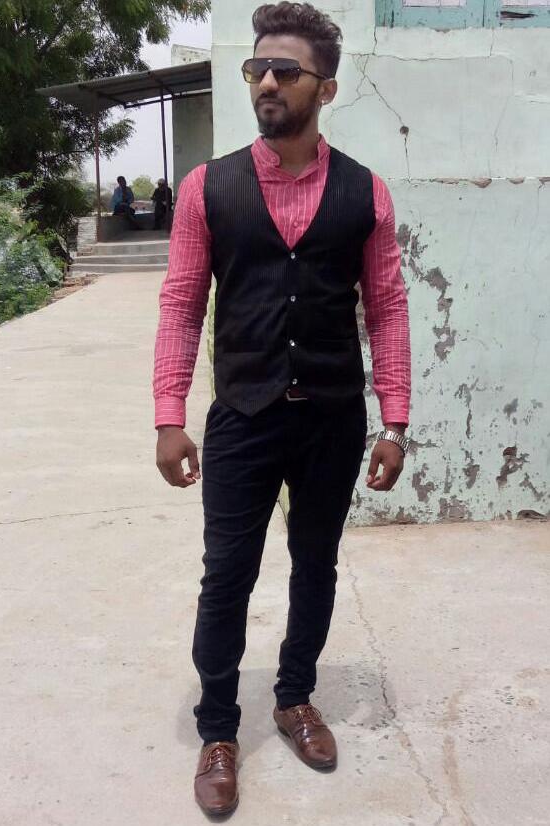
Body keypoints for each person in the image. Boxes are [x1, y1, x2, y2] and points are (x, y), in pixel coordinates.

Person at [153, 1, 411, 816]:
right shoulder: (208, 188)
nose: (266, 81)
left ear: (323, 89)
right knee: (226, 574)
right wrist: (168, 413)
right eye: (256, 68)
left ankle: (294, 696)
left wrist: (394, 420)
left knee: (315, 564)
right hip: (243, 414)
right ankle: (218, 728)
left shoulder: (365, 193)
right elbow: (181, 303)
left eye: (285, 70)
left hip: (331, 416)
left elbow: (387, 309)